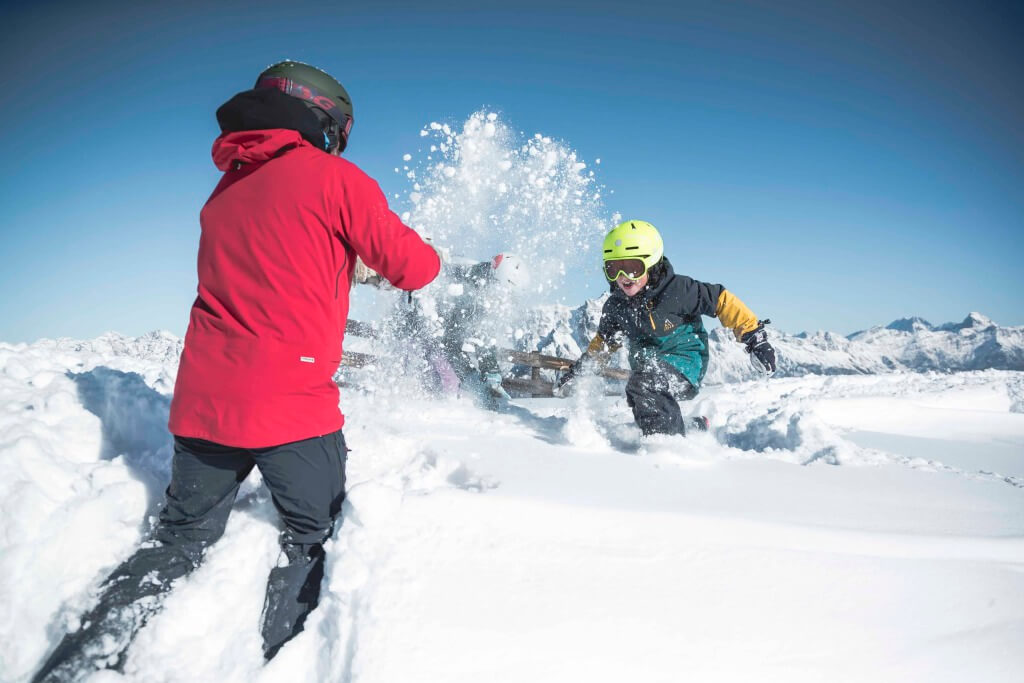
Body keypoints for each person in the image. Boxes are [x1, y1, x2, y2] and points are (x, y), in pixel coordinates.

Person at [32, 60, 440, 681]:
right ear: (323, 120)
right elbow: (415, 269)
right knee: (312, 535)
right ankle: (287, 660)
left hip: (204, 403)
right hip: (292, 407)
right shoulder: (337, 179)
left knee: (180, 536)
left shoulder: (223, 193)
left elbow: (273, 262)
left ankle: (82, 658)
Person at [556, 220, 776, 436]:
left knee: (644, 386)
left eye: (632, 268)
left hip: (686, 363)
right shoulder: (616, 306)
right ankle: (686, 429)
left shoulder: (677, 290)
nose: (622, 278)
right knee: (640, 395)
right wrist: (583, 369)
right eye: (613, 269)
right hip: (648, 368)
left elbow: (721, 301)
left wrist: (754, 337)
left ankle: (667, 447)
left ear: (651, 263)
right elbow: (604, 342)